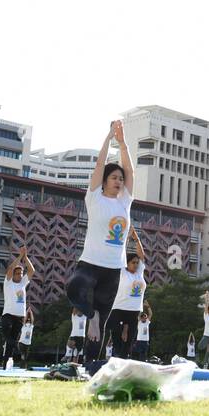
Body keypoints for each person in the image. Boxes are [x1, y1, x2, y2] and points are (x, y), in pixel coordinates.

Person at [67, 119, 134, 366]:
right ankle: (90, 313)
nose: (119, 181)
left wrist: (124, 144)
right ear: (104, 181)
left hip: (114, 268)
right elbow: (99, 164)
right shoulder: (95, 197)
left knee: (100, 326)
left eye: (120, 178)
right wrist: (109, 138)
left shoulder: (124, 201)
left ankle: (90, 365)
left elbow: (131, 172)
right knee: (74, 288)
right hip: (90, 264)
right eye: (114, 177)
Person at [107, 231, 147, 359]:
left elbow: (142, 255)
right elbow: (121, 253)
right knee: (115, 332)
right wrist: (126, 239)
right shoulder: (123, 272)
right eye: (133, 263)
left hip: (134, 309)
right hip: (119, 307)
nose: (136, 265)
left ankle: (123, 358)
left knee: (129, 339)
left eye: (136, 263)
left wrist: (136, 239)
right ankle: (116, 354)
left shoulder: (139, 272)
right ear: (127, 263)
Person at [1, 245, 36, 366]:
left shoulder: (23, 282)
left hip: (20, 316)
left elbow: (32, 271)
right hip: (8, 314)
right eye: (17, 273)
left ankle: (5, 363)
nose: (20, 275)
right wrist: (20, 256)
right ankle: (14, 348)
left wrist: (25, 257)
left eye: (21, 273)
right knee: (8, 336)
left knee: (11, 342)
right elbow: (10, 268)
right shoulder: (8, 282)